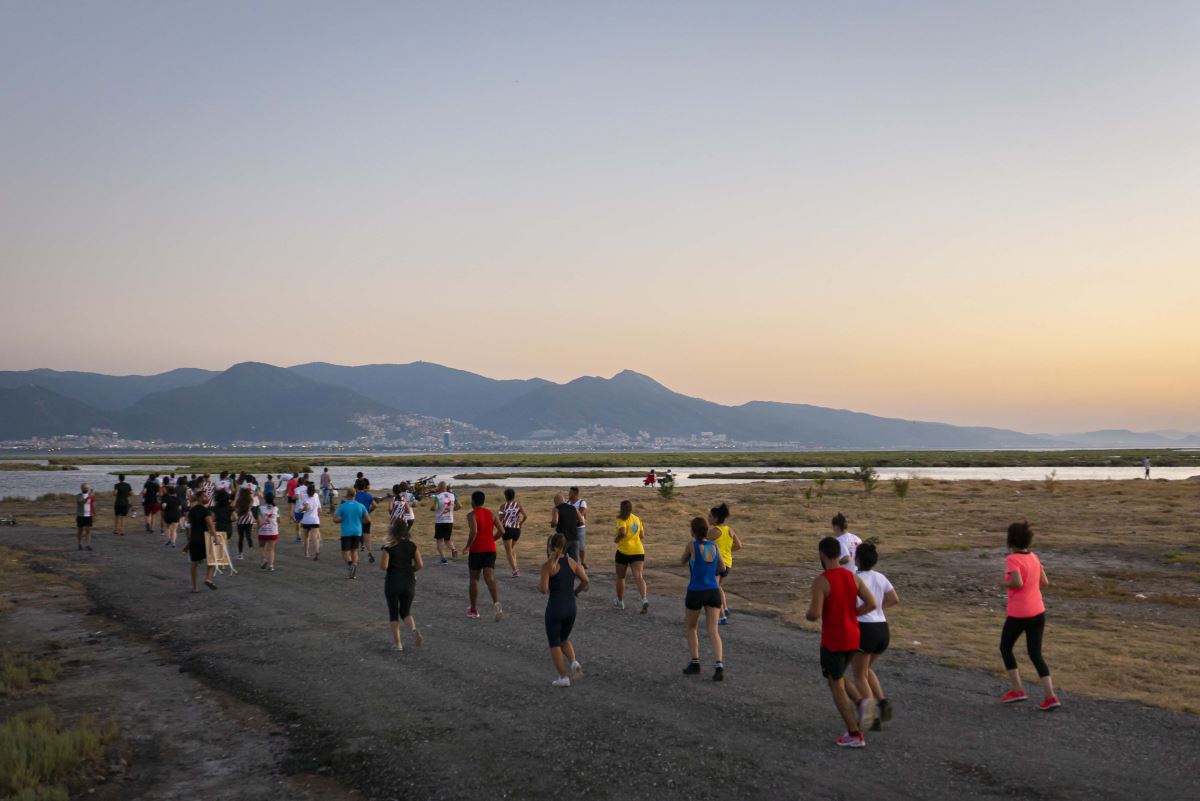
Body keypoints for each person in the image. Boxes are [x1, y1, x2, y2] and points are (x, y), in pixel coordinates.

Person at [805, 536, 877, 748]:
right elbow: (872, 603)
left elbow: (815, 614)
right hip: (854, 636)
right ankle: (865, 706)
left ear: (822, 554)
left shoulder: (821, 581)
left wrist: (808, 613)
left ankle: (855, 733)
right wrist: (853, 614)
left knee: (835, 684)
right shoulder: (852, 576)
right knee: (836, 674)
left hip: (833, 640)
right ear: (839, 553)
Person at [999, 522, 1060, 710]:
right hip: (1038, 612)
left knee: (1006, 647)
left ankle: (1018, 690)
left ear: (1011, 540)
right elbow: (1045, 582)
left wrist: (1004, 583)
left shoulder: (1013, 559)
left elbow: (1017, 582)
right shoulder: (1034, 557)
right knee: (1035, 654)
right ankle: (1051, 696)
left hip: (1019, 613)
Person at [851, 542, 900, 731]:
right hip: (882, 629)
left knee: (858, 676)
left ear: (857, 559)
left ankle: (871, 718)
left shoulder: (854, 578)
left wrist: (857, 613)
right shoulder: (881, 577)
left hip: (865, 630)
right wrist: (879, 609)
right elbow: (894, 599)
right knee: (866, 669)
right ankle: (883, 704)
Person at [540, 532, 588, 687]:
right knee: (564, 638)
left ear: (550, 547)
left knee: (554, 642)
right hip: (571, 607)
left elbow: (543, 589)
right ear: (564, 546)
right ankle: (573, 662)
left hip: (555, 607)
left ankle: (563, 677)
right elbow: (585, 580)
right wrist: (576, 591)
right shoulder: (572, 562)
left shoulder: (548, 565)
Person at [681, 517, 724, 681]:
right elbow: (722, 567)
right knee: (713, 630)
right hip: (713, 590)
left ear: (693, 531)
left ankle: (695, 662)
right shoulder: (714, 546)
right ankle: (719, 665)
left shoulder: (692, 545)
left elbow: (682, 560)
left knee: (691, 627)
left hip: (695, 591)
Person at [381, 520, 424, 651]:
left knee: (393, 613)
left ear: (393, 531)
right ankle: (413, 630)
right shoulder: (412, 545)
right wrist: (410, 570)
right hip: (409, 581)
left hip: (393, 581)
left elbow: (384, 566)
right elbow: (420, 564)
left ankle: (398, 644)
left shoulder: (388, 547)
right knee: (405, 611)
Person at [464, 490, 505, 621]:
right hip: (490, 550)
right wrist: (492, 539)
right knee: (490, 578)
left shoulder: (471, 515)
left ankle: (473, 610)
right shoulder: (492, 513)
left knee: (474, 579)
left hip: (476, 550)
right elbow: (502, 531)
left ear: (473, 501)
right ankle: (497, 606)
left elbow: (474, 531)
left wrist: (467, 546)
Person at [709, 503, 743, 624]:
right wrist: (728, 551)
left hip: (716, 563)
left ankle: (722, 616)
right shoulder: (730, 530)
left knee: (714, 588)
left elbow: (702, 542)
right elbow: (739, 545)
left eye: (710, 516)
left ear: (716, 518)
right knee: (718, 586)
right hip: (728, 563)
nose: (708, 518)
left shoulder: (715, 531)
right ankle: (725, 608)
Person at [613, 500, 649, 613]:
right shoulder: (637, 519)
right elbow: (642, 535)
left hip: (624, 551)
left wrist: (617, 539)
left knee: (621, 577)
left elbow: (623, 532)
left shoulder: (621, 519)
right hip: (638, 551)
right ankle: (644, 599)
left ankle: (620, 602)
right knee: (639, 576)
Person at [186, 491, 218, 592]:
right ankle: (208, 578)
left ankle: (195, 587)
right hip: (204, 539)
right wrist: (216, 537)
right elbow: (210, 525)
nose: (207, 497)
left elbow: (189, 527)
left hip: (194, 540)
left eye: (207, 496)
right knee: (213, 559)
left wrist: (189, 542)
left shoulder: (191, 511)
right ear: (199, 498)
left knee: (194, 564)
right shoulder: (205, 511)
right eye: (205, 496)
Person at [334, 488, 368, 579]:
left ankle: (350, 564)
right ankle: (354, 569)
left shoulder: (343, 506)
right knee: (355, 551)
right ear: (355, 495)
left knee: (345, 552)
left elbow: (335, 519)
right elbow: (368, 519)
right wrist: (361, 521)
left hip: (346, 532)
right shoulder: (361, 506)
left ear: (347, 495)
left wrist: (342, 519)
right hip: (357, 531)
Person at [499, 488, 526, 577]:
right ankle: (516, 567)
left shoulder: (503, 506)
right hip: (517, 530)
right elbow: (525, 516)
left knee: (509, 552)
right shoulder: (518, 505)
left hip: (507, 529)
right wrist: (520, 523)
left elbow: (500, 519)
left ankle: (515, 570)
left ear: (505, 496)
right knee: (512, 549)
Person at [430, 481, 460, 564]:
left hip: (440, 521)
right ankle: (454, 550)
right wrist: (452, 510)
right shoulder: (452, 495)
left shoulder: (437, 497)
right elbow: (459, 506)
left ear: (439, 487)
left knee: (439, 540)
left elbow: (434, 507)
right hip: (449, 520)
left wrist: (432, 508)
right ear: (446, 487)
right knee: (447, 539)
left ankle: (443, 560)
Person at [549, 493, 580, 561]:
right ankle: (574, 571)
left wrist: (552, 525)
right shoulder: (574, 508)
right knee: (574, 561)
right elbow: (582, 522)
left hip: (562, 539)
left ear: (556, 502)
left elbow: (555, 522)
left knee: (559, 559)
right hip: (574, 538)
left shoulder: (557, 509)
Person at [355, 481, 377, 564]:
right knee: (367, 537)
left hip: (358, 519)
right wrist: (369, 512)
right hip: (367, 518)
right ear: (364, 487)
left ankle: (357, 558)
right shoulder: (368, 496)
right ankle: (369, 552)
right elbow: (375, 505)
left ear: (356, 488)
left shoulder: (356, 496)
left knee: (357, 538)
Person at [257, 493, 279, 572]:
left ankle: (264, 559)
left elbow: (259, 520)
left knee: (261, 546)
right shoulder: (276, 508)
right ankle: (271, 566)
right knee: (271, 549)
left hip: (263, 530)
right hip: (273, 530)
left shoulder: (260, 508)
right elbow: (279, 520)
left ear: (265, 499)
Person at [300, 482, 322, 560]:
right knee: (315, 537)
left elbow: (306, 507)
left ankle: (306, 553)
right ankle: (317, 551)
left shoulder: (304, 497)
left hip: (306, 520)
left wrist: (301, 510)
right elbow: (320, 509)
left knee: (306, 537)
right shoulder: (316, 496)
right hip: (315, 520)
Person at [568, 486, 589, 568]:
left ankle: (582, 562)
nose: (569, 493)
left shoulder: (582, 502)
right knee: (570, 544)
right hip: (571, 527)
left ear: (575, 493)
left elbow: (581, 514)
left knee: (581, 546)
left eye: (570, 492)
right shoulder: (568, 502)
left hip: (579, 527)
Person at [233, 487, 255, 560]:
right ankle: (251, 551)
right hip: (249, 519)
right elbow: (252, 499)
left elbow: (235, 509)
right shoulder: (249, 500)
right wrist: (249, 492)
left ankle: (240, 554)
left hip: (241, 520)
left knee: (241, 538)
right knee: (248, 536)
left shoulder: (239, 501)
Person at [75, 483, 95, 551]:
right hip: (80, 515)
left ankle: (88, 545)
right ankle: (79, 544)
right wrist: (88, 497)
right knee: (80, 531)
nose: (86, 489)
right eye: (84, 488)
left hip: (89, 515)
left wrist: (94, 514)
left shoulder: (91, 496)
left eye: (87, 488)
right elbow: (81, 503)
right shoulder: (78, 496)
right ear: (81, 488)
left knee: (88, 531)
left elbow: (92, 505)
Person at [285, 473, 301, 541]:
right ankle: (294, 520)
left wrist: (285, 494)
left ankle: (290, 521)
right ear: (297, 477)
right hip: (294, 496)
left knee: (290, 509)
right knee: (294, 509)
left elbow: (287, 489)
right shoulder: (296, 482)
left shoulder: (289, 481)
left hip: (289, 496)